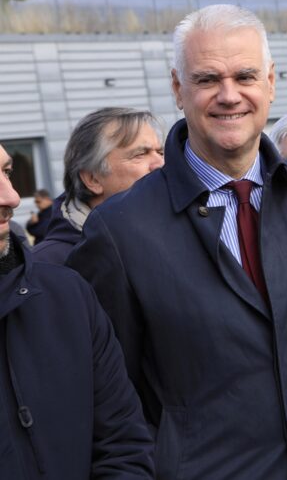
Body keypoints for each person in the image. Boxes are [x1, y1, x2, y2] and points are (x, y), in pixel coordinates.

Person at [68, 4, 287, 479]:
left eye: (245, 76)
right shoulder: (119, 231)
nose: (229, 95)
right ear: (178, 89)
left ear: (271, 82)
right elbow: (114, 396)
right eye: (207, 79)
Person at [0, 142, 155, 479]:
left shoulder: (67, 293)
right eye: (140, 153)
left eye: (7, 172)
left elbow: (123, 442)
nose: (11, 197)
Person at [33, 107, 164, 265]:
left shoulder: (179, 237)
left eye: (160, 152)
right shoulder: (46, 266)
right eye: (140, 154)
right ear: (93, 179)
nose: (161, 164)